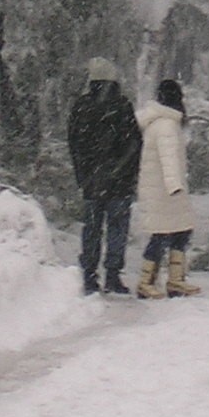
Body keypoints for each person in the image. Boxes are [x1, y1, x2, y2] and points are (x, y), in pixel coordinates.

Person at [66, 59, 142, 295]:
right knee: (117, 228)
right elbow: (134, 143)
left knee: (92, 228)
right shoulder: (122, 106)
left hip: (92, 181)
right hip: (119, 182)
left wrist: (83, 174)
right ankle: (112, 274)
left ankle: (89, 276)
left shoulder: (81, 107)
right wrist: (127, 172)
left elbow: (74, 143)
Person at [134, 78, 200, 299]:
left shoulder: (158, 122)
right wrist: (175, 185)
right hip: (166, 191)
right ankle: (152, 282)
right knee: (165, 234)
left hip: (159, 189)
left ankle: (170, 281)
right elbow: (168, 158)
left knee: (174, 232)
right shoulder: (167, 126)